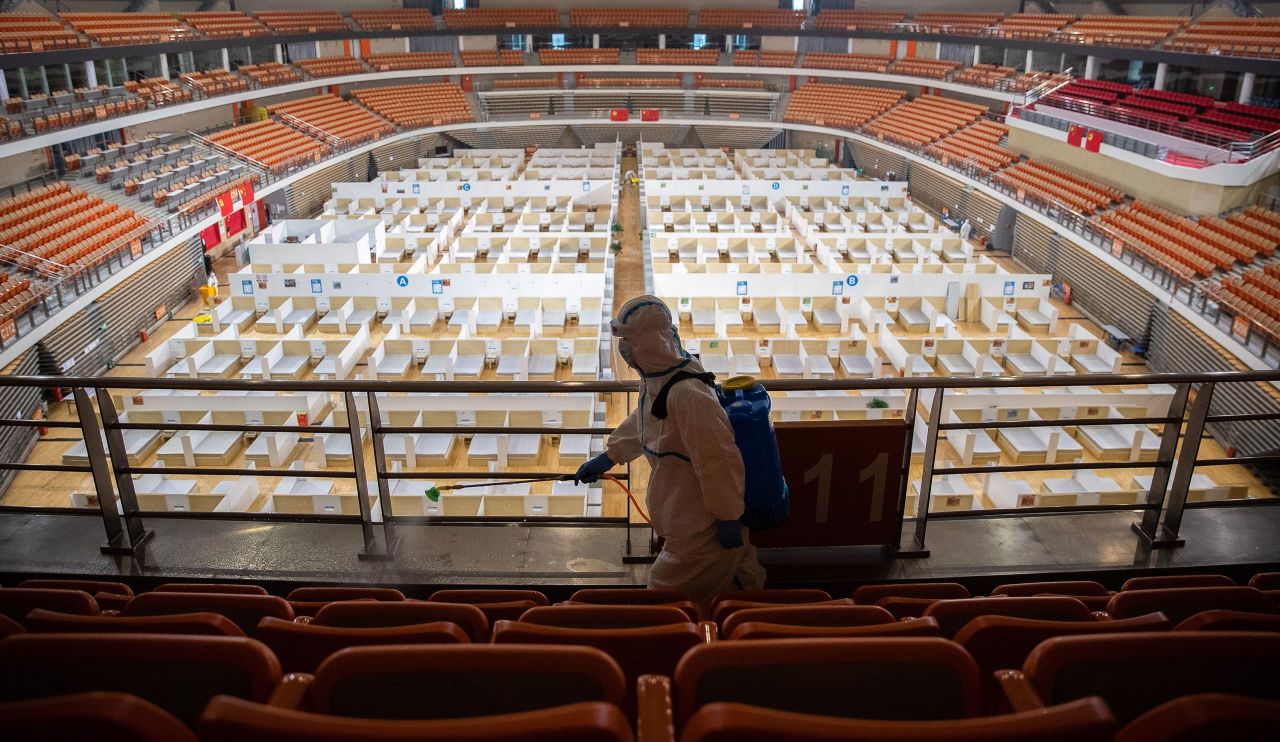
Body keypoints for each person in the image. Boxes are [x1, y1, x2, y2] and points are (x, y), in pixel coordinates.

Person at [575, 296, 765, 610]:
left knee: (665, 600)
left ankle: (704, 649)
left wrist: (728, 516)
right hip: (691, 520)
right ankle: (746, 638)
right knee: (740, 584)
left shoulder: (688, 394)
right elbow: (647, 419)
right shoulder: (661, 378)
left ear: (648, 341)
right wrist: (610, 456)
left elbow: (718, 460)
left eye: (628, 339)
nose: (623, 348)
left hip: (702, 530)